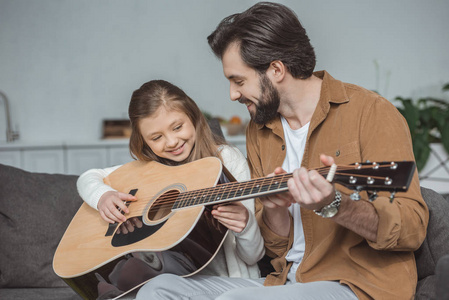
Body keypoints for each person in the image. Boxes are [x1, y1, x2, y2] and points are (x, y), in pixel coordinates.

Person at [137, 2, 429, 300]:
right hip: (285, 281)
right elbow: (276, 249)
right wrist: (275, 210)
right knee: (159, 290)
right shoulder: (260, 129)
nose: (233, 94)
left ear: (276, 69)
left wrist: (335, 205)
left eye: (239, 81)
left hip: (355, 284)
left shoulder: (372, 113)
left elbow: (412, 228)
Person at [76, 80, 265, 297]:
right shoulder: (151, 171)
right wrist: (103, 197)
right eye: (157, 137)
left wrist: (246, 226)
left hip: (228, 284)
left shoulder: (227, 161)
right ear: (144, 142)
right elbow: (88, 177)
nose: (172, 142)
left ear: (193, 117)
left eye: (177, 127)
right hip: (173, 280)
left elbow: (253, 256)